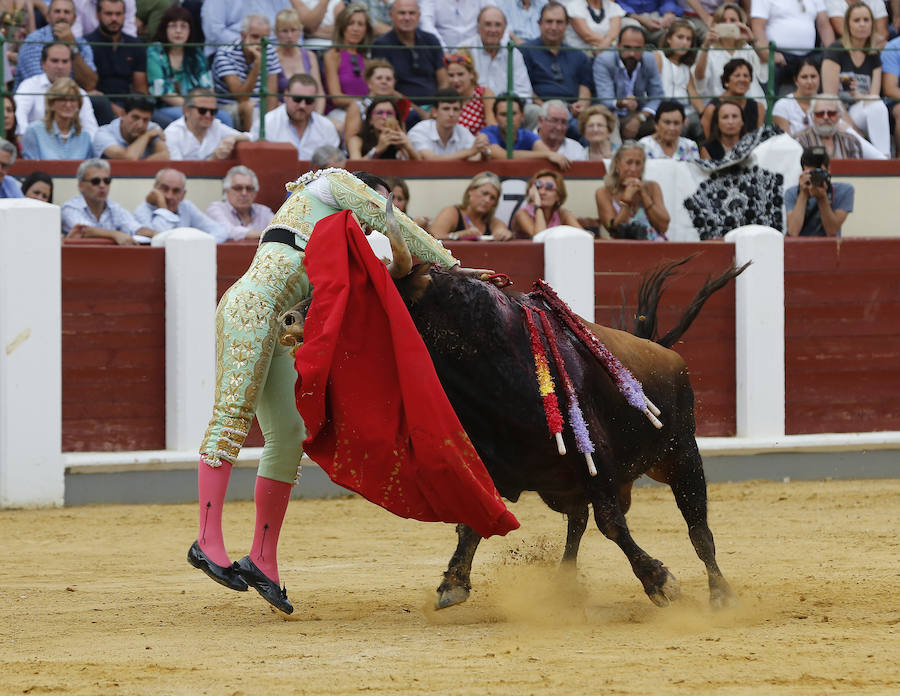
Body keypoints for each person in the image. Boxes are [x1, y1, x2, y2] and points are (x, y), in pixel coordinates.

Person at [189, 168, 469, 614]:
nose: (373, 219)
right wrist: (452, 264)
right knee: (232, 417)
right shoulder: (329, 184)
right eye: (374, 203)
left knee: (288, 434)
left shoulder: (346, 248)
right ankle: (207, 540)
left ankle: (262, 560)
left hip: (280, 325)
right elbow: (381, 213)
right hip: (251, 306)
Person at [821, 1, 890, 156]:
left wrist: (859, 96)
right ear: (848, 25)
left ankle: (884, 156)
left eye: (866, 20)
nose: (862, 25)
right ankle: (883, 163)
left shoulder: (874, 55)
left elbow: (873, 96)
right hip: (837, 114)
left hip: (860, 111)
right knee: (840, 124)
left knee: (878, 106)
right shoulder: (836, 51)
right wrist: (853, 127)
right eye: (857, 20)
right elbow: (830, 98)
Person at [147, 5, 226, 129]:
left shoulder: (196, 52)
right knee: (190, 118)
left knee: (225, 117)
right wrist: (193, 108)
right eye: (173, 25)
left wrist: (203, 107)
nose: (178, 31)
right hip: (166, 107)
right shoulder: (155, 51)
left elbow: (208, 88)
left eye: (183, 26)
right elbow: (161, 91)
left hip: (200, 107)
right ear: (164, 29)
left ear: (190, 30)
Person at [521, 2, 593, 138]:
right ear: (539, 23)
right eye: (549, 22)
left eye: (559, 22)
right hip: (541, 108)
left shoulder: (579, 56)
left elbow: (585, 90)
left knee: (596, 121)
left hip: (571, 110)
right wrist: (552, 112)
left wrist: (581, 106)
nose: (554, 27)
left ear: (567, 24)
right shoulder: (526, 51)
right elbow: (526, 90)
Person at [371, 0, 447, 126]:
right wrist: (421, 112)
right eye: (402, 13)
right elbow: (385, 87)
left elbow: (444, 81)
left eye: (412, 13)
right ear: (391, 16)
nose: (407, 18)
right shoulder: (382, 45)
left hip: (434, 108)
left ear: (419, 16)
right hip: (402, 109)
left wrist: (439, 107)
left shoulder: (430, 40)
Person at [212, 13, 282, 132]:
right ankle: (252, 146)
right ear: (243, 36)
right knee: (250, 106)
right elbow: (242, 97)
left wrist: (269, 123)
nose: (260, 43)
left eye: (264, 38)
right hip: (229, 107)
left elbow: (271, 95)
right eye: (255, 36)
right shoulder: (225, 53)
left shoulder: (269, 50)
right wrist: (258, 64)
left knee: (282, 109)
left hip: (260, 105)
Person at [593, 25, 665, 140]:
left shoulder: (649, 59)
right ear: (617, 45)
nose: (632, 53)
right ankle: (615, 155)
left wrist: (639, 118)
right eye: (627, 47)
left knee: (667, 121)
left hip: (637, 113)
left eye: (637, 48)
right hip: (611, 112)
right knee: (609, 120)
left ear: (644, 48)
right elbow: (605, 100)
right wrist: (622, 103)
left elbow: (657, 95)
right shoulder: (604, 60)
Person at [15, 42, 99, 140]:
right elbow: (19, 117)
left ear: (71, 64)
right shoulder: (29, 86)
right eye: (55, 61)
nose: (60, 66)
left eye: (65, 61)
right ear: (43, 64)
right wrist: (28, 141)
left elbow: (91, 129)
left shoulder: (80, 93)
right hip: (37, 147)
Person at [61, 158, 155, 244]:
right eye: (95, 181)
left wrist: (159, 235)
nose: (102, 185)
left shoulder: (115, 208)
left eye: (106, 180)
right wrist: (115, 235)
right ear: (81, 185)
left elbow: (136, 228)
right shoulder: (70, 208)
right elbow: (82, 230)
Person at [751, 0, 835, 92]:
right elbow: (757, 26)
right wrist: (769, 54)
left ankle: (828, 104)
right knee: (770, 70)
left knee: (830, 64)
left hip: (810, 55)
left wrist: (832, 54)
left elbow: (824, 25)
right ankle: (769, 106)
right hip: (778, 55)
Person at [252, 74, 342, 160]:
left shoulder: (326, 127)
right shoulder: (266, 123)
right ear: (286, 95)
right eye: (297, 99)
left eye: (309, 100)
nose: (302, 105)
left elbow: (333, 165)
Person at [84, 0, 146, 121]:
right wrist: (112, 108)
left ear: (124, 16)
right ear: (98, 15)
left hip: (130, 108)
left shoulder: (135, 45)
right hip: (97, 107)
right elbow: (88, 87)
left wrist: (133, 111)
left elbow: (140, 89)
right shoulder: (86, 44)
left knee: (165, 123)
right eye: (108, 13)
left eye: (118, 14)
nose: (114, 18)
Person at [14, 0, 97, 90]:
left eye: (67, 12)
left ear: (74, 19)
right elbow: (40, 84)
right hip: (35, 101)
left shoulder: (82, 44)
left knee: (100, 102)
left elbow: (90, 84)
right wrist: (76, 92)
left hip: (72, 100)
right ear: (48, 17)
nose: (61, 16)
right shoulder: (34, 40)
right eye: (57, 11)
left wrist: (72, 46)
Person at [595, 141, 669, 239]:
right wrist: (627, 199)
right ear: (617, 163)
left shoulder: (652, 187)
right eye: (629, 162)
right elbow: (615, 231)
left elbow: (664, 226)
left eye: (638, 163)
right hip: (624, 250)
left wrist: (644, 194)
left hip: (657, 246)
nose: (633, 169)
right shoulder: (604, 193)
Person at [692, 3, 765, 104]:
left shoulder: (748, 48)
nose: (728, 24)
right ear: (715, 24)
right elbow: (699, 79)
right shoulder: (708, 50)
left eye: (733, 20)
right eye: (723, 21)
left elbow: (766, 63)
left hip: (753, 105)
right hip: (723, 109)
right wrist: (706, 46)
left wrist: (752, 39)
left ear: (741, 23)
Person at [134, 168, 227, 241]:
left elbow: (220, 231)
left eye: (176, 191)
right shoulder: (142, 211)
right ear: (154, 189)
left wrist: (199, 244)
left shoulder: (186, 206)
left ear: (183, 195)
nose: (169, 196)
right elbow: (163, 239)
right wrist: (162, 206)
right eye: (164, 189)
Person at [471, 5, 534, 110]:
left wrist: (507, 109)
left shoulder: (513, 53)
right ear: (478, 28)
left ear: (505, 29)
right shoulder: (466, 50)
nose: (493, 30)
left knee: (532, 111)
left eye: (498, 25)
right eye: (488, 24)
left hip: (508, 111)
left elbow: (524, 93)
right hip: (474, 111)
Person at [322, 3, 372, 132]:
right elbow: (336, 98)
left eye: (360, 24)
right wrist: (365, 103)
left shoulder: (367, 59)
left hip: (366, 111)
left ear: (366, 29)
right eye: (351, 23)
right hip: (340, 113)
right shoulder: (333, 55)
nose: (355, 29)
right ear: (343, 27)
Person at [785, 145, 853, 237]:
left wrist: (822, 198)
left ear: (828, 170)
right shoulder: (792, 193)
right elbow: (793, 232)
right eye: (812, 173)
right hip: (801, 249)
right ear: (803, 171)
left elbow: (832, 231)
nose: (816, 177)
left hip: (829, 249)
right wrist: (803, 193)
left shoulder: (844, 191)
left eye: (819, 173)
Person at [164, 88, 249, 161]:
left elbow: (252, 137)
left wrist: (233, 137)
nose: (208, 116)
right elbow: (178, 170)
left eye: (213, 111)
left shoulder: (216, 126)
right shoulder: (172, 133)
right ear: (187, 111)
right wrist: (214, 159)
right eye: (202, 111)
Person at [654, 19, 703, 140]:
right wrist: (679, 116)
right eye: (680, 37)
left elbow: (693, 94)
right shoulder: (658, 56)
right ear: (669, 39)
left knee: (706, 125)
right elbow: (653, 90)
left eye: (688, 39)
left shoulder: (686, 68)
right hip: (663, 111)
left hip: (686, 111)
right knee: (679, 126)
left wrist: (706, 114)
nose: (684, 42)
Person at [408, 88, 491, 160]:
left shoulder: (463, 131)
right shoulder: (420, 130)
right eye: (446, 109)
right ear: (434, 112)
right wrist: (470, 152)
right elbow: (430, 160)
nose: (451, 114)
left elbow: (474, 158)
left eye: (456, 109)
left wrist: (483, 152)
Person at [21, 77, 93, 159]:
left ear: (79, 105)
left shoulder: (85, 136)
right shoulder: (34, 131)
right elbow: (30, 168)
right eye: (62, 99)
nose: (68, 105)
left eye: (73, 100)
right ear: (51, 103)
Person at [429, 170, 513, 241]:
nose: (487, 200)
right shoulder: (452, 213)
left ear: (495, 204)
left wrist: (505, 233)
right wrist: (460, 235)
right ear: (470, 191)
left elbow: (502, 230)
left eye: (492, 198)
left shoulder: (492, 222)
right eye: (484, 193)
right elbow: (433, 238)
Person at [343, 59, 408, 143]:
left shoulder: (395, 107)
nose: (384, 82)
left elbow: (403, 139)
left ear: (394, 84)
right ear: (369, 83)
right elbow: (349, 141)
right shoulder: (358, 106)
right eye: (379, 78)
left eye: (388, 79)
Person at [274, 8, 325, 114]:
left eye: (293, 30)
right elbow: (271, 97)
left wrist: (318, 116)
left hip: (308, 112)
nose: (289, 36)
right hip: (281, 113)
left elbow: (319, 92)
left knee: (337, 127)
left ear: (300, 31)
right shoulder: (272, 57)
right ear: (276, 33)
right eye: (284, 31)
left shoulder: (310, 56)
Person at [205, 165, 275, 242]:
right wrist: (266, 233)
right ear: (227, 191)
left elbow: (279, 231)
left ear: (255, 193)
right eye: (238, 188)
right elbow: (227, 231)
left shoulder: (263, 211)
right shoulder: (216, 209)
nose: (244, 193)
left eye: (249, 188)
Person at [699, 57, 765, 138]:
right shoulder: (712, 109)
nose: (742, 79)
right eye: (737, 76)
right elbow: (708, 141)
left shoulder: (759, 107)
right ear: (726, 81)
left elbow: (758, 139)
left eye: (746, 76)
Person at [482, 93, 558, 160]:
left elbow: (546, 152)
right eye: (503, 114)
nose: (509, 119)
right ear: (495, 118)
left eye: (513, 114)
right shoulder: (488, 133)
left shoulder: (527, 135)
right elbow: (503, 155)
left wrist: (547, 154)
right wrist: (546, 155)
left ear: (522, 116)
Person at [512, 168, 584, 238]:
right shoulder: (522, 214)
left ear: (558, 195)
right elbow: (540, 238)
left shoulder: (562, 214)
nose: (542, 192)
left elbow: (584, 236)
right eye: (538, 187)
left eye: (549, 189)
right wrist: (538, 206)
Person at [91, 95, 169, 159]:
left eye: (145, 120)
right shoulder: (103, 134)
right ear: (123, 114)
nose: (140, 125)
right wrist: (146, 136)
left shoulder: (152, 128)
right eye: (135, 118)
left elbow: (164, 156)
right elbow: (129, 159)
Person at [347, 96, 420, 159]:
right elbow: (355, 166)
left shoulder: (400, 140)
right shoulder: (357, 140)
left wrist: (408, 147)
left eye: (389, 113)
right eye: (379, 113)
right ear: (370, 120)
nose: (384, 117)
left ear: (396, 119)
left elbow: (419, 168)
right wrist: (377, 150)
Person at [794, 94, 864, 158]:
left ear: (839, 116)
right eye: (820, 114)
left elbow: (856, 170)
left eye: (831, 113)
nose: (826, 117)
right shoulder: (800, 140)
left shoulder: (851, 141)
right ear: (812, 116)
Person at [445, 50, 496, 135]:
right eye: (451, 75)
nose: (455, 80)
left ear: (471, 74)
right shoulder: (445, 96)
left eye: (460, 74)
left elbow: (492, 127)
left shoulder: (485, 94)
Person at [772, 58, 822, 136]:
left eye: (813, 76)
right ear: (796, 80)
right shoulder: (782, 105)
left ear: (819, 78)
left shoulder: (828, 104)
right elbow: (784, 141)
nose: (809, 81)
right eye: (804, 77)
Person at [418, 0, 487, 51]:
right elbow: (426, 25)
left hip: (476, 52)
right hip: (442, 55)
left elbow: (493, 15)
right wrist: (443, 49)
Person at [535, 99, 585, 164]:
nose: (559, 127)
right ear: (540, 121)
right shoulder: (526, 144)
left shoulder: (575, 148)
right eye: (554, 121)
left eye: (564, 122)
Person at [616, 0, 683, 47]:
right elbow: (616, 4)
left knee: (678, 27)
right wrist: (642, 20)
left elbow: (668, 1)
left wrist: (669, 12)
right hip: (629, 15)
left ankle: (670, 61)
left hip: (655, 15)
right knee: (632, 29)